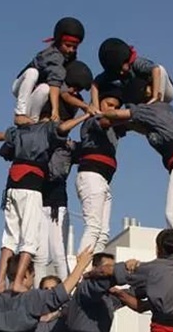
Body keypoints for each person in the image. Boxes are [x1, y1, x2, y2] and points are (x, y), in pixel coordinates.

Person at [101, 78, 173, 265]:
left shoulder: (149, 109)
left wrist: (101, 111)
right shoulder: (161, 113)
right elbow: (137, 125)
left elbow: (121, 115)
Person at [0, 111, 90, 294]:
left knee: (10, 238)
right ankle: (18, 281)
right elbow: (63, 127)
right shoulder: (47, 130)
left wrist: (21, 126)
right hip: (31, 185)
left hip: (12, 184)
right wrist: (84, 116)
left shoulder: (22, 130)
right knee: (30, 239)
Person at [0, 248, 93, 332]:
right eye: (32, 276)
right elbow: (59, 295)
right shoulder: (29, 299)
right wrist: (81, 265)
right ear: (25, 274)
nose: (33, 281)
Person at [75, 84, 127, 254]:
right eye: (110, 105)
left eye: (116, 107)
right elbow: (104, 121)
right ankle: (80, 272)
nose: (113, 109)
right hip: (92, 175)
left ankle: (92, 271)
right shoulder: (93, 119)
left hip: (103, 180)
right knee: (93, 227)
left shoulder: (115, 129)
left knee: (103, 233)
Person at [12, 17, 85, 125]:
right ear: (59, 42)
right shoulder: (53, 56)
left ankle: (33, 121)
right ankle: (20, 114)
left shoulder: (69, 59)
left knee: (45, 89)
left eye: (74, 47)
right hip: (22, 87)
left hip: (35, 92)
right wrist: (55, 110)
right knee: (32, 73)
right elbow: (55, 84)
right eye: (68, 46)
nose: (71, 50)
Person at [33, 140, 81, 283]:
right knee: (40, 255)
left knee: (58, 255)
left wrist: (70, 145)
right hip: (40, 204)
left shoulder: (68, 147)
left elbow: (82, 153)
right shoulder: (41, 140)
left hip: (57, 204)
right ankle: (39, 296)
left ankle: (66, 294)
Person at [91, 37, 173, 110]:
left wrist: (154, 97)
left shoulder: (136, 63)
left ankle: (156, 104)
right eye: (117, 71)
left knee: (159, 70)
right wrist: (95, 106)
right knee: (126, 88)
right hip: (143, 93)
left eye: (122, 68)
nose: (121, 72)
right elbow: (95, 84)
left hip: (166, 89)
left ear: (127, 60)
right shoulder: (114, 72)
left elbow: (156, 69)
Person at [66, 253, 124, 332]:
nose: (111, 271)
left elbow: (133, 294)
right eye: (107, 267)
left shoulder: (108, 297)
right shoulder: (86, 287)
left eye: (113, 267)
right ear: (95, 269)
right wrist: (123, 271)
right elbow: (97, 287)